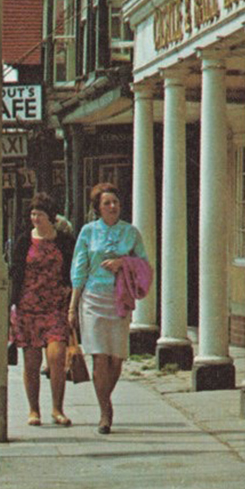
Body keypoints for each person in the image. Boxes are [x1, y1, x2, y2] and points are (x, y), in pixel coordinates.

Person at [69, 181, 150, 435]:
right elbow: (78, 269)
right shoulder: (88, 232)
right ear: (98, 208)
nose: (112, 206)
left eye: (115, 202)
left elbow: (144, 265)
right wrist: (72, 307)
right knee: (99, 356)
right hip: (93, 298)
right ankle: (105, 411)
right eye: (107, 203)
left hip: (119, 300)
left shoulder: (131, 233)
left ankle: (105, 398)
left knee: (116, 358)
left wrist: (122, 263)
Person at [10, 192, 77, 427]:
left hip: (55, 306)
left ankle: (57, 409)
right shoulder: (23, 241)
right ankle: (34, 410)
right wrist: (12, 304)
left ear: (50, 216)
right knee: (31, 361)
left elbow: (73, 269)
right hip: (28, 307)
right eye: (32, 214)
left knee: (57, 356)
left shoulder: (64, 241)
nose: (35, 218)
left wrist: (70, 294)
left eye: (39, 214)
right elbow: (15, 273)